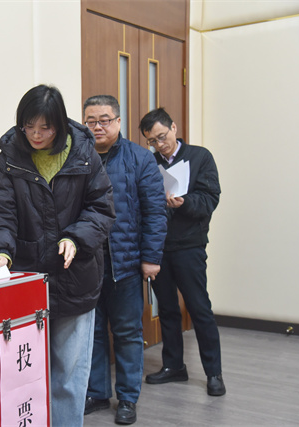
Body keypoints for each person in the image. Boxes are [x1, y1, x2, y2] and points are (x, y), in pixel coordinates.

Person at [0, 85, 116, 426]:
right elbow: (0, 211)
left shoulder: (84, 153)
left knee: (68, 377)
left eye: (45, 127)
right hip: (28, 281)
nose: (36, 135)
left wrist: (76, 237)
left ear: (60, 125)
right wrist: (0, 251)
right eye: (29, 126)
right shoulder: (11, 156)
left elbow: (102, 208)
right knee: (26, 374)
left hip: (76, 278)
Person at [82, 96, 167, 424]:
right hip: (88, 264)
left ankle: (128, 397)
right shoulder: (78, 157)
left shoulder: (139, 158)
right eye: (91, 121)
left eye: (104, 120)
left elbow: (155, 212)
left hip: (127, 264)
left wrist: (151, 258)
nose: (98, 126)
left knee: (128, 332)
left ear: (118, 121)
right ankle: (97, 392)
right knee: (93, 332)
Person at [139, 107, 225, 396]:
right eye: (152, 141)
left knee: (199, 308)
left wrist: (184, 202)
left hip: (189, 246)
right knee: (167, 309)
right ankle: (174, 366)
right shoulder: (150, 163)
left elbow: (210, 199)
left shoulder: (200, 157)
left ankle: (213, 373)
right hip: (158, 248)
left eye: (162, 136)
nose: (159, 144)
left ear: (174, 128)